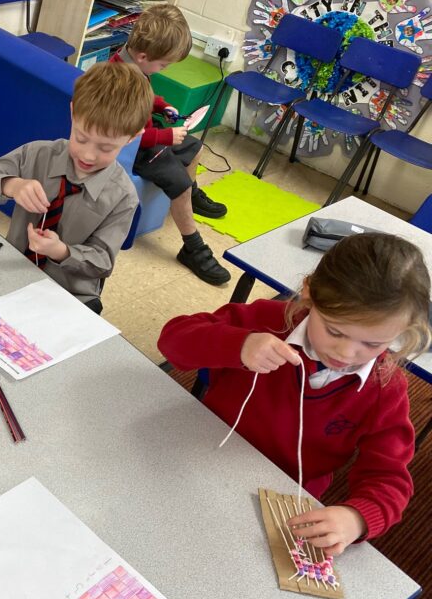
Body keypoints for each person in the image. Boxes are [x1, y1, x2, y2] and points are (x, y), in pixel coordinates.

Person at [158, 233, 431, 554]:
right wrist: (238, 345)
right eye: (334, 330)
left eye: (372, 344)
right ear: (309, 294)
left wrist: (356, 518)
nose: (346, 353)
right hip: (195, 452)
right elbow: (172, 340)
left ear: (402, 333)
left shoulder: (385, 389)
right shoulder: (266, 322)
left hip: (281, 497)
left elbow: (388, 479)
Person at [0, 62, 153, 312]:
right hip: (14, 271)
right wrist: (11, 185)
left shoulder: (123, 197)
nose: (88, 155)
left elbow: (102, 262)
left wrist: (61, 251)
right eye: (81, 137)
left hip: (72, 294)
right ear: (73, 112)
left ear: (133, 137)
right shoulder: (37, 154)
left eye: (106, 148)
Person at [110, 3, 231, 286]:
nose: (163, 69)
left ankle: (193, 196)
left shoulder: (132, 65)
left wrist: (162, 105)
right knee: (179, 184)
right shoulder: (120, 81)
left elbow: (146, 94)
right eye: (163, 65)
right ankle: (192, 247)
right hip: (134, 150)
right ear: (142, 56)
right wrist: (165, 137)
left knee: (194, 147)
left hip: (149, 138)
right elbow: (128, 137)